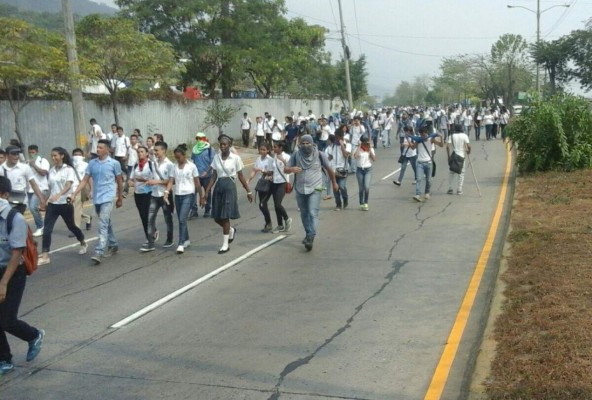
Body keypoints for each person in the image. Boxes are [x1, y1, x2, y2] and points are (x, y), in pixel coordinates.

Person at [0, 175, 45, 376]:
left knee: (7, 320)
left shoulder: (14, 219)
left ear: (5, 195)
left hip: (12, 273)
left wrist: (3, 283)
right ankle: (4, 359)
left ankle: (34, 335)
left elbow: (16, 253)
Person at [69, 139, 123, 264]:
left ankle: (99, 251)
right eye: (97, 147)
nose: (97, 149)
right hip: (97, 198)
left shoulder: (114, 163)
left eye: (100, 147)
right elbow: (84, 180)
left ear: (108, 150)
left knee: (102, 224)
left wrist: (120, 197)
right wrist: (74, 193)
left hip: (108, 198)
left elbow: (119, 181)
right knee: (106, 222)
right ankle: (113, 244)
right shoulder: (92, 163)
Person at [285, 134, 338, 251]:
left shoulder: (320, 154)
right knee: (304, 213)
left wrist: (334, 183)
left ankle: (310, 236)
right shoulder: (296, 155)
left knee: (313, 212)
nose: (305, 145)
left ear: (312, 144)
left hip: (317, 187)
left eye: (307, 143)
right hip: (300, 188)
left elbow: (329, 169)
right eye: (303, 143)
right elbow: (286, 168)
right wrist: (291, 169)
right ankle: (309, 233)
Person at [202, 135, 253, 254]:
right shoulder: (216, 158)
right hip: (219, 187)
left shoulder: (235, 158)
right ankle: (230, 230)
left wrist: (248, 191)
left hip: (229, 187)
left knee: (225, 217)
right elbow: (214, 176)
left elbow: (240, 176)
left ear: (229, 145)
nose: (223, 146)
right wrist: (207, 191)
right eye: (221, 144)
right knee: (216, 217)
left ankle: (225, 244)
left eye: (225, 144)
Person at [37, 148, 88, 266]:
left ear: (62, 156)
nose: (53, 158)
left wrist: (59, 195)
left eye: (55, 156)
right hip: (53, 205)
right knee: (47, 230)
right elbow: (50, 188)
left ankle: (83, 242)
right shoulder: (51, 170)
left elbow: (68, 184)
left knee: (72, 227)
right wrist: (44, 201)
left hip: (65, 203)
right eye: (52, 156)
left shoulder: (69, 170)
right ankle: (45, 256)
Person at [165, 144, 202, 254]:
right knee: (181, 219)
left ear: (184, 156)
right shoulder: (174, 166)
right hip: (178, 195)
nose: (178, 160)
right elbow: (171, 180)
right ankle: (186, 239)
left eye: (179, 157)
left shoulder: (191, 166)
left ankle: (180, 243)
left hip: (188, 195)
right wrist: (167, 192)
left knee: (182, 219)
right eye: (176, 158)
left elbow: (197, 183)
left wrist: (202, 196)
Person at [142, 141, 174, 252]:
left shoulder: (169, 164)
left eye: (157, 150)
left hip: (165, 195)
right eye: (154, 150)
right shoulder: (154, 162)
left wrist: (157, 181)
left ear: (163, 151)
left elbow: (171, 181)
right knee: (150, 219)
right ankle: (151, 243)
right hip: (154, 195)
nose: (155, 152)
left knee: (167, 219)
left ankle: (169, 239)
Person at [0, 145, 46, 215]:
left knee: (15, 218)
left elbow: (34, 185)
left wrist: (41, 199)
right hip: (5, 201)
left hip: (20, 202)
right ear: (7, 155)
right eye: (13, 154)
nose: (16, 156)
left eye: (17, 154)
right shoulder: (1, 169)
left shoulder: (24, 168)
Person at [129, 145, 156, 248]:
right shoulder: (136, 165)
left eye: (142, 152)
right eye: (138, 152)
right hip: (138, 193)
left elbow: (155, 178)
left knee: (147, 216)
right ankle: (149, 236)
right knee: (143, 217)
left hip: (148, 193)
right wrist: (130, 182)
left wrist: (144, 180)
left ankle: (150, 240)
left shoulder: (151, 164)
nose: (140, 154)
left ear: (147, 153)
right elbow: (131, 178)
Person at [409, 126, 444, 202]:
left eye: (424, 134)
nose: (423, 136)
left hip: (428, 162)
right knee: (419, 179)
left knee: (428, 180)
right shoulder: (418, 140)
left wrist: (441, 137)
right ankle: (417, 194)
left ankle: (427, 192)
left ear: (427, 133)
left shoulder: (431, 139)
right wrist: (409, 140)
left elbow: (441, 145)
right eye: (421, 134)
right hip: (420, 162)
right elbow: (413, 148)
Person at [247, 143, 274, 232]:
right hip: (261, 184)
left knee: (262, 204)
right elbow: (254, 170)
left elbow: (271, 172)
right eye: (260, 149)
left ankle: (269, 223)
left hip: (268, 184)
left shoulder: (270, 160)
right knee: (261, 205)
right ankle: (268, 223)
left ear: (268, 150)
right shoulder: (258, 159)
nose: (261, 151)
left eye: (264, 150)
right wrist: (248, 180)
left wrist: (261, 170)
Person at [26, 145, 50, 237]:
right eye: (30, 152)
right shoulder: (27, 162)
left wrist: (34, 165)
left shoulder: (43, 161)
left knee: (33, 207)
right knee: (32, 208)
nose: (32, 154)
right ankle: (49, 216)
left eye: (33, 152)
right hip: (30, 189)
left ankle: (41, 227)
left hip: (41, 188)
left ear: (37, 152)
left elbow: (43, 173)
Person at [269, 141, 292, 233]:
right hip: (275, 182)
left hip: (283, 182)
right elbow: (274, 170)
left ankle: (287, 218)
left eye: (275, 147)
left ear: (280, 148)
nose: (273, 149)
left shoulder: (287, 156)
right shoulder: (274, 157)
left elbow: (291, 169)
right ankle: (280, 225)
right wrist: (270, 176)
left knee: (278, 204)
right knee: (275, 205)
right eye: (273, 147)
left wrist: (283, 160)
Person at [191, 133, 214, 218]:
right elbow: (193, 161)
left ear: (204, 139)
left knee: (207, 192)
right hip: (197, 176)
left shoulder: (210, 149)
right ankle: (194, 210)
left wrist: (206, 172)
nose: (199, 140)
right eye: (197, 138)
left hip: (207, 176)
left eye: (200, 138)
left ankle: (207, 209)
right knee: (193, 192)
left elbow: (212, 163)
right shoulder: (194, 149)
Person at [327, 131, 350, 210]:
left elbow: (346, 155)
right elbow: (330, 157)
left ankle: (345, 199)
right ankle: (338, 204)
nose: (336, 139)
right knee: (335, 187)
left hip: (343, 170)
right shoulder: (332, 146)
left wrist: (342, 145)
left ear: (341, 137)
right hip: (333, 170)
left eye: (338, 137)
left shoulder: (347, 145)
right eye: (336, 137)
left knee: (342, 186)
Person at [71, 148, 92, 232]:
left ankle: (76, 229)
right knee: (70, 210)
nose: (77, 157)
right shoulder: (69, 165)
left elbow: (89, 178)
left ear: (82, 156)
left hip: (81, 188)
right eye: (75, 155)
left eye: (79, 155)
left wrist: (91, 190)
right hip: (70, 190)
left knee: (76, 208)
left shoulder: (86, 165)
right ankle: (87, 218)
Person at [447, 124, 471, 196]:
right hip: (461, 156)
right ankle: (459, 189)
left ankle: (450, 188)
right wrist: (468, 151)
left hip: (454, 155)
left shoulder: (451, 136)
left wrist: (448, 156)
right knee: (461, 173)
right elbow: (469, 146)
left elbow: (447, 147)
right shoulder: (464, 136)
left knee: (451, 172)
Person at [353, 135, 376, 211]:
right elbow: (355, 156)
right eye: (364, 142)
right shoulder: (357, 148)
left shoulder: (370, 148)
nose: (365, 144)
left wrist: (369, 149)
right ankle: (361, 203)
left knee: (366, 187)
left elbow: (374, 159)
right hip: (359, 170)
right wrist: (359, 146)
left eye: (366, 142)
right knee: (361, 188)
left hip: (368, 169)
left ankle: (366, 202)